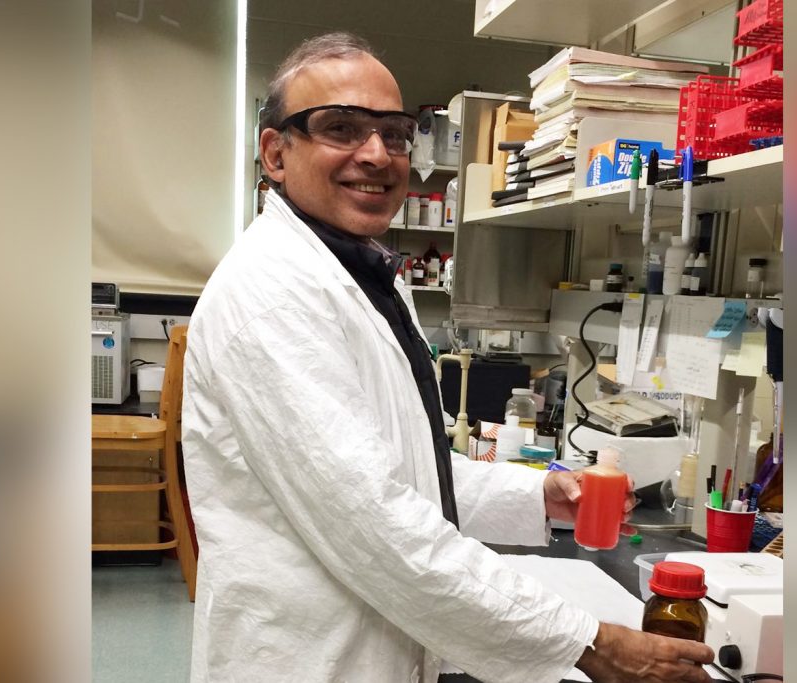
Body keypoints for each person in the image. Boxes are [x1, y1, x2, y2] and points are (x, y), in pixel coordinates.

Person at [182, 32, 714, 683]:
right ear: (275, 153)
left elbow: (410, 473)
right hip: (307, 661)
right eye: (341, 128)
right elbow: (377, 525)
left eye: (395, 133)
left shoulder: (367, 273)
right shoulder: (268, 292)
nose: (376, 154)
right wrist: (589, 641)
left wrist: (540, 491)